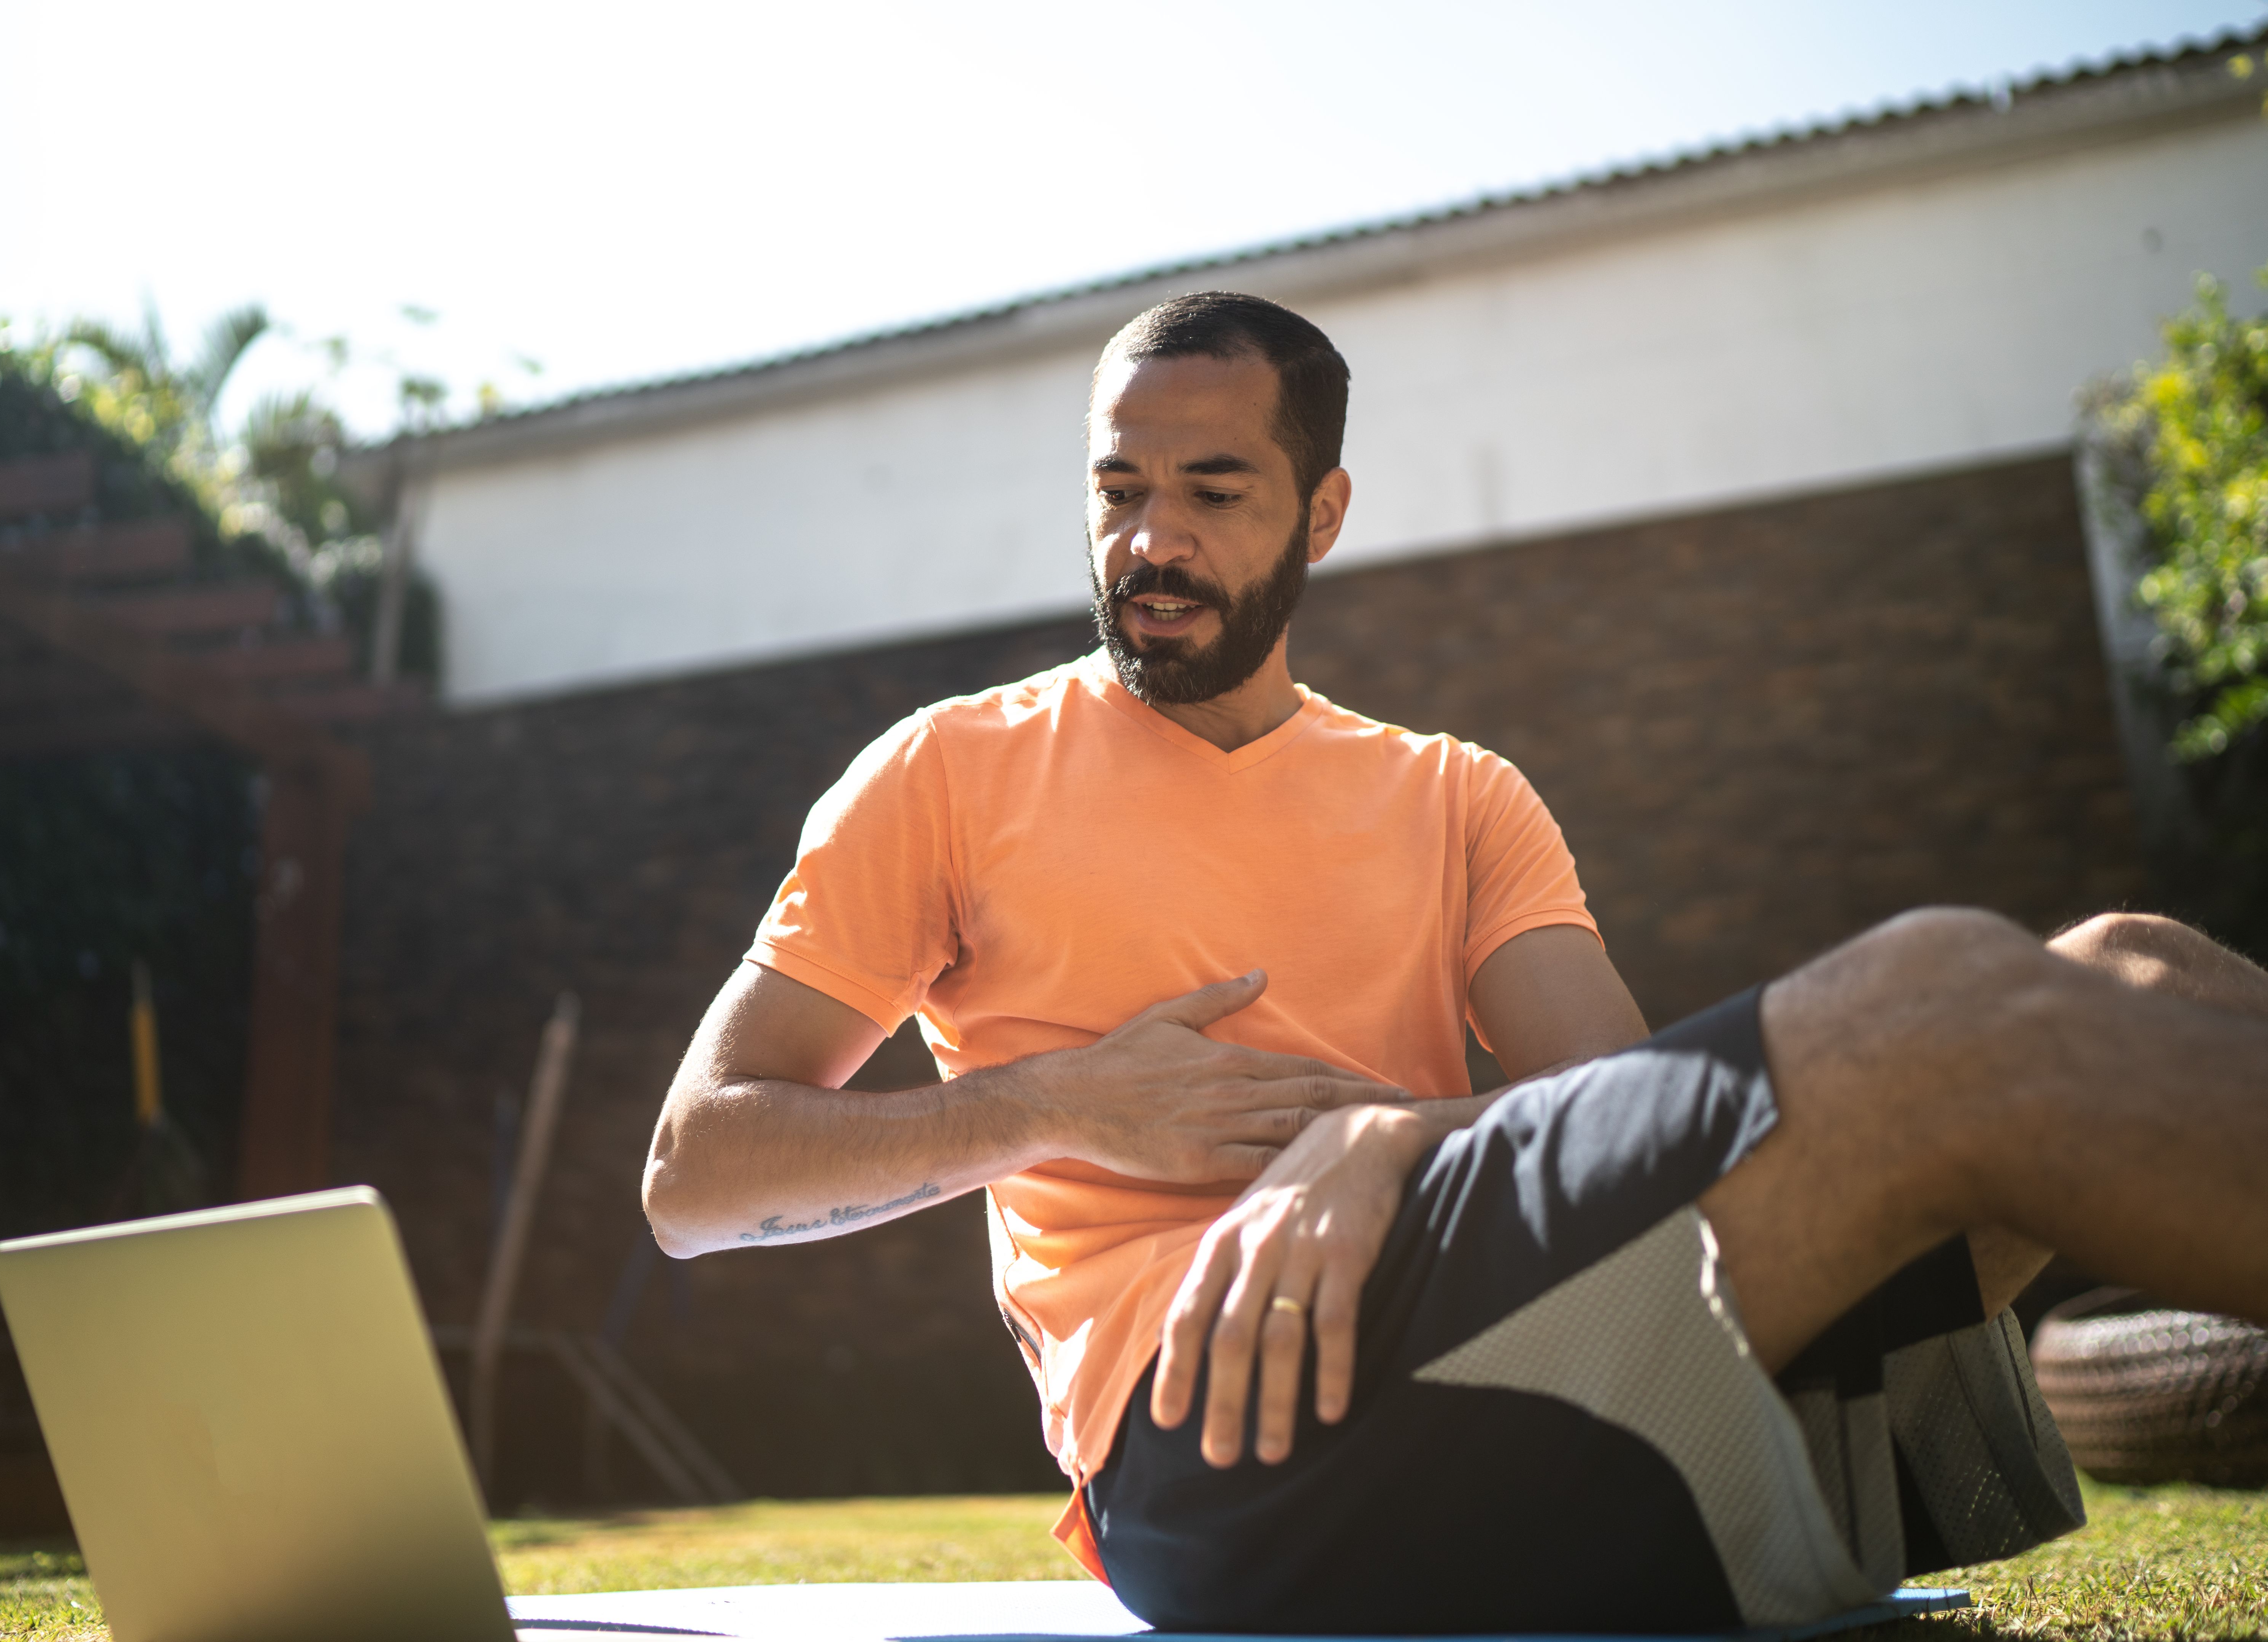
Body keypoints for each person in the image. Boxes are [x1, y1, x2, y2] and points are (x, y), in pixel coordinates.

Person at [643, 291, 2268, 1634]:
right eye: (1118, 488)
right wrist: (1062, 1105)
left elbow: (1616, 1120)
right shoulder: (946, 774)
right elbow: (696, 1173)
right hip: (1213, 1431)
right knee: (1934, 1002)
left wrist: (1395, 1132)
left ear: (1322, 514)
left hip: (1515, 1351)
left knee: (2143, 967)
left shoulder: (1455, 794)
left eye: (1212, 491)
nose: (1151, 538)